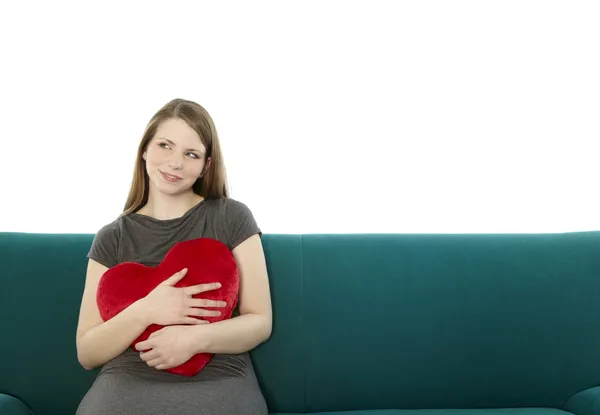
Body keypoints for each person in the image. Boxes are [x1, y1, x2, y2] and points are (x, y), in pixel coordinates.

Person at [74, 98, 272, 415]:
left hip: (219, 375)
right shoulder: (112, 237)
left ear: (206, 165)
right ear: (144, 150)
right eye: (165, 145)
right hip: (129, 377)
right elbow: (87, 351)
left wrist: (194, 339)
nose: (175, 163)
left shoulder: (231, 217)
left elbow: (260, 321)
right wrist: (147, 310)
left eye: (190, 154)